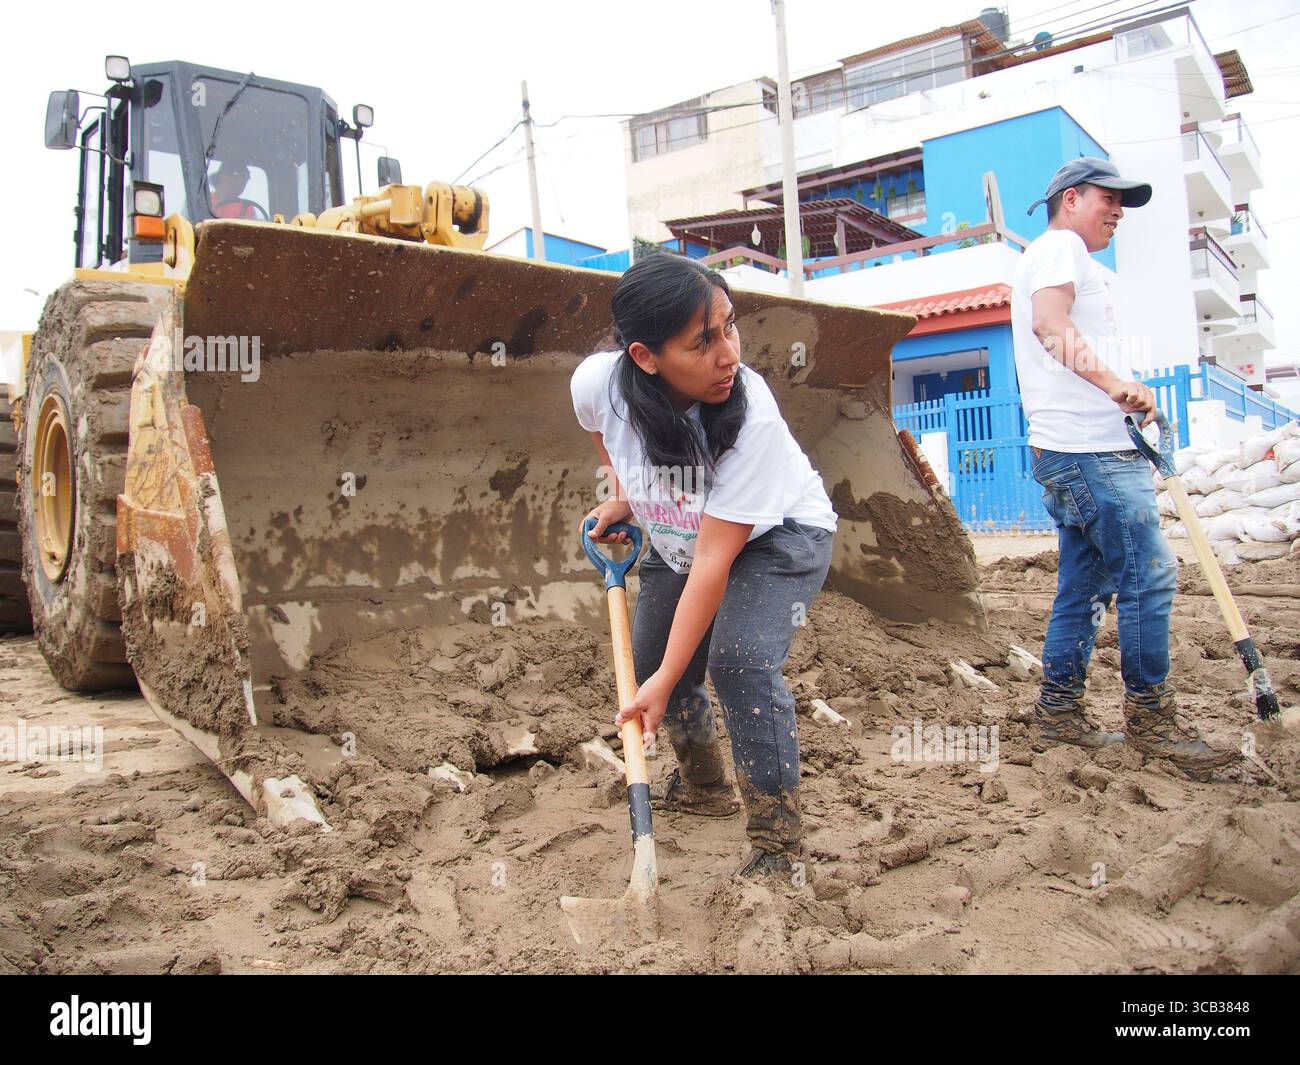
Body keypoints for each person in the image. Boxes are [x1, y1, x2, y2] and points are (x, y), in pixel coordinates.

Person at [570, 253, 838, 878]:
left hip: (778, 534)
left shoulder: (752, 417)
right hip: (681, 531)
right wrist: (625, 495)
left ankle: (777, 842)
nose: (729, 355)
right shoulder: (597, 383)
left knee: (737, 660)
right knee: (656, 657)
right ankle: (703, 786)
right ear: (645, 357)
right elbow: (601, 432)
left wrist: (666, 677)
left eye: (730, 327)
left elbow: (716, 561)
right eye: (702, 342)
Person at [1013, 157, 1236, 779]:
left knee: (1085, 583)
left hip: (1081, 447)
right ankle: (1152, 719)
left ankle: (1059, 712)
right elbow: (1048, 325)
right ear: (1071, 198)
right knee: (1149, 573)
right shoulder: (1060, 249)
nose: (1117, 212)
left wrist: (1128, 402)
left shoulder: (1068, 260)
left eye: (1123, 203)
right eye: (1108, 199)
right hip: (1088, 452)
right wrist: (1115, 385)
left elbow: (1061, 329)